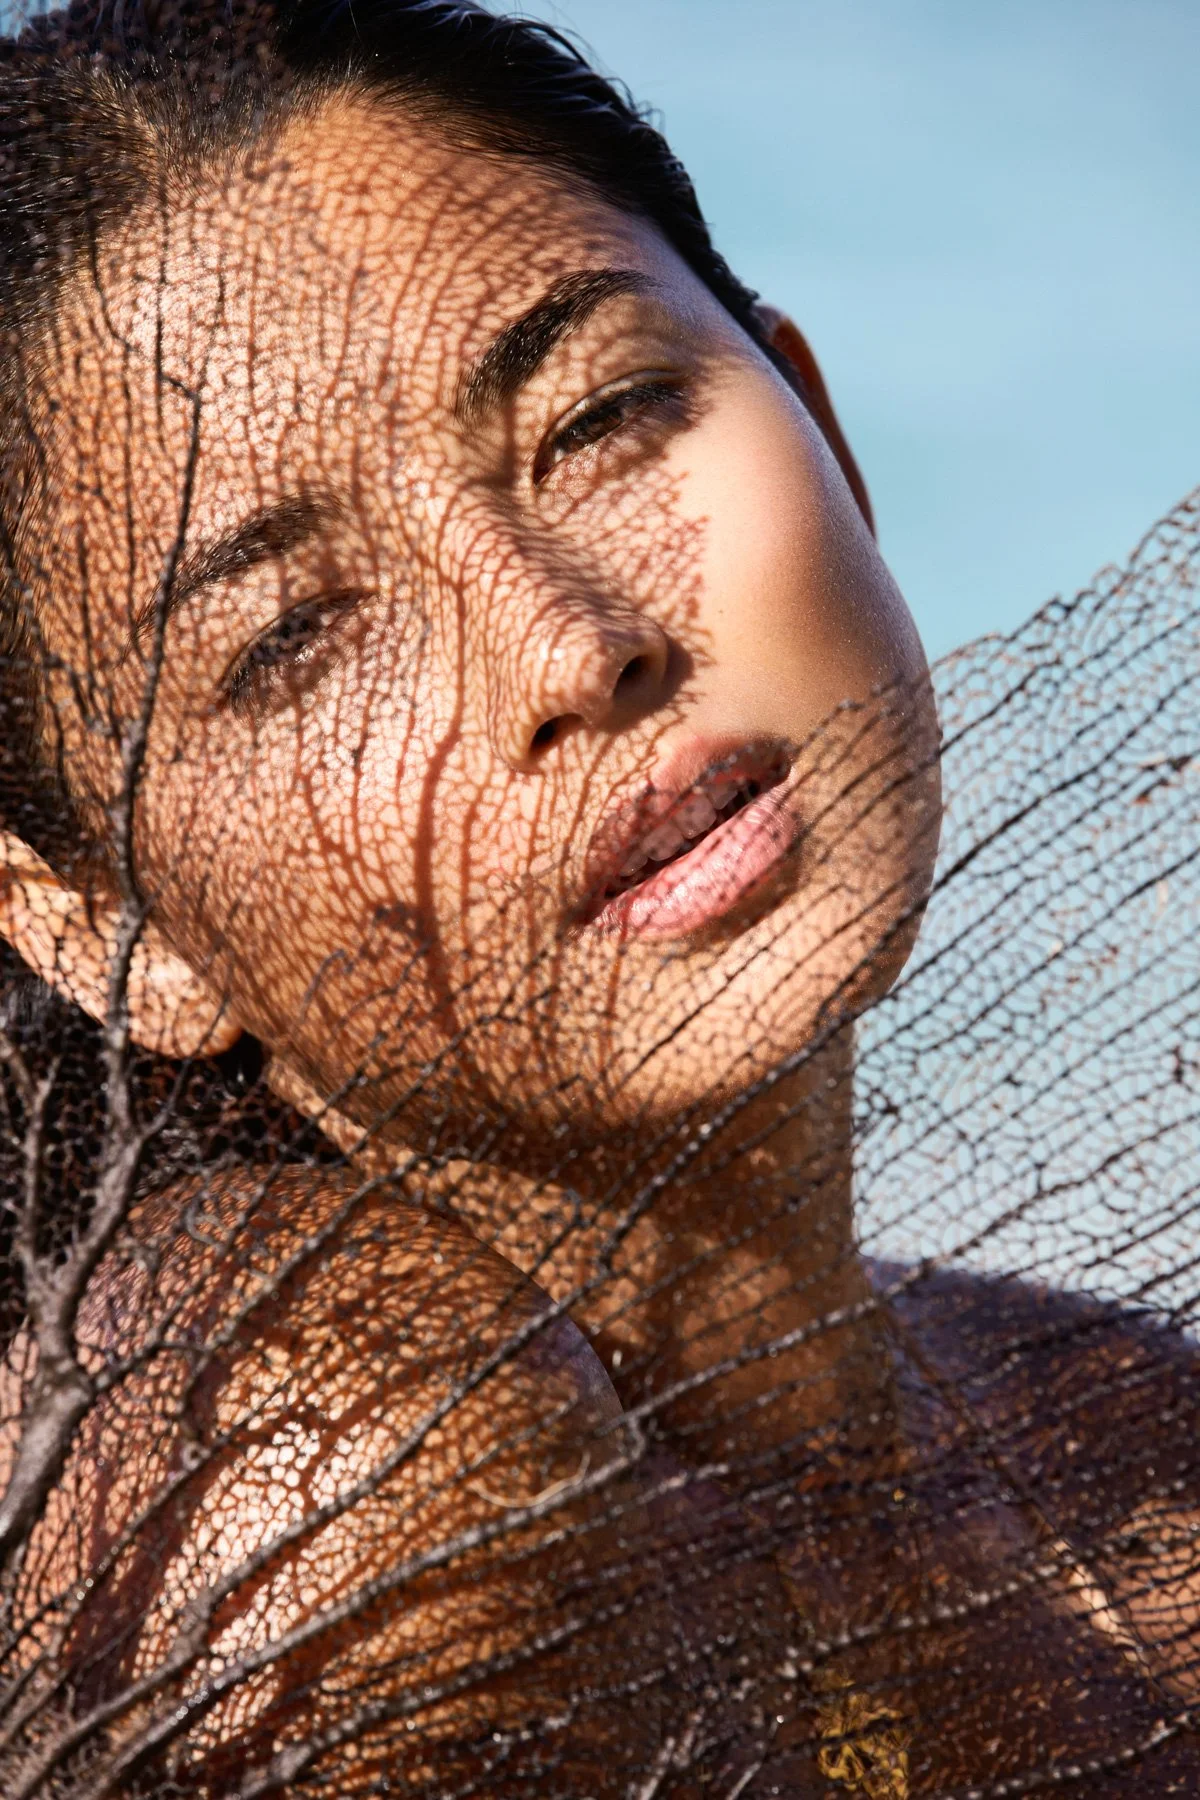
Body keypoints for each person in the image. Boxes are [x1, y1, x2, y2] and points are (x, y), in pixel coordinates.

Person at [0, 1, 1195, 1793]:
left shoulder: (1119, 1443)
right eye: (294, 633)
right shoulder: (336, 1477)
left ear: (827, 428)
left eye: (605, 416)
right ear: (100, 921)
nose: (577, 642)